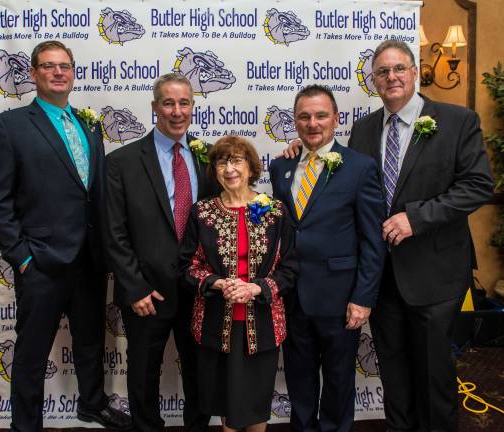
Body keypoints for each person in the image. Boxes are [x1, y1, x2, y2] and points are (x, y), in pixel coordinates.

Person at [0, 41, 130, 431]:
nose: (58, 72)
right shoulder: (8, 126)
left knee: (91, 342)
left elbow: (92, 191)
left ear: (73, 72)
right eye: (48, 66)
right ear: (33, 74)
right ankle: (25, 424)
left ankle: (92, 404)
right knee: (31, 352)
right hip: (42, 262)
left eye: (65, 66)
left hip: (89, 261)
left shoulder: (89, 125)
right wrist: (22, 257)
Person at [347, 41, 494, 432]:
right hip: (383, 276)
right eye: (382, 72)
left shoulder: (457, 120)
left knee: (433, 375)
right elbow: (349, 188)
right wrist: (301, 153)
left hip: (437, 271)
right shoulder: (362, 131)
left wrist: (417, 218)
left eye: (399, 68)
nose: (391, 77)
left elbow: (478, 185)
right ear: (373, 80)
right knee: (393, 375)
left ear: (414, 72)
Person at [269, 84, 386, 432]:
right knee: (299, 381)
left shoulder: (359, 168)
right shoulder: (281, 168)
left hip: (340, 297)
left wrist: (363, 298)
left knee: (338, 383)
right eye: (304, 116)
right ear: (295, 121)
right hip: (292, 296)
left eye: (321, 115)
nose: (312, 123)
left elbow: (372, 240)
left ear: (336, 119)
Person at [104, 73, 215, 432]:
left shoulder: (209, 158)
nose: (177, 111)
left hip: (198, 290)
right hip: (146, 292)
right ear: (154, 108)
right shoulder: (121, 161)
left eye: (184, 103)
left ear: (193, 107)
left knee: (200, 371)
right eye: (168, 103)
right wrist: (134, 287)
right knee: (142, 374)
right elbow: (113, 231)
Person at [179, 135, 298, 432]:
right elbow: (187, 267)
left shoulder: (274, 211)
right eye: (222, 161)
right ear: (215, 170)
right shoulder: (201, 212)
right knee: (228, 408)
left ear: (251, 167)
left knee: (257, 407)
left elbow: (290, 268)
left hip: (263, 324)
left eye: (237, 160)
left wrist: (258, 287)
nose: (229, 168)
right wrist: (219, 283)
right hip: (217, 324)